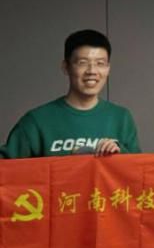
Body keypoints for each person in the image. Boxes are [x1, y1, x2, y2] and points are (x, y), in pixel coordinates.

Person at [3, 29, 140, 158]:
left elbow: (138, 170)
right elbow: (5, 168)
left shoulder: (121, 118)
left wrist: (119, 153)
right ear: (66, 67)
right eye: (82, 63)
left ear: (108, 68)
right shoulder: (37, 120)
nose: (92, 71)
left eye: (100, 63)